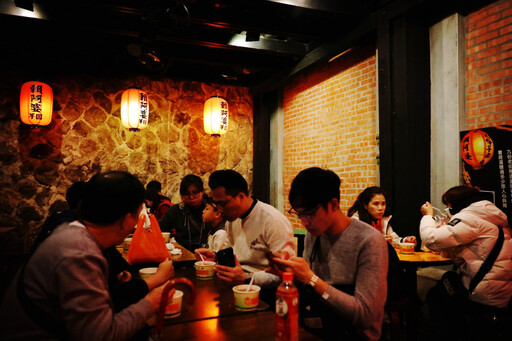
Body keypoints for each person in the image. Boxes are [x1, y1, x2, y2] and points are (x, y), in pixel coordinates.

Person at [0, 171, 172, 340]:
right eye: (138, 215)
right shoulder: (79, 254)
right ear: (128, 219)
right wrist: (151, 303)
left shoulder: (72, 230)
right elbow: (102, 335)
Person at [272, 167, 388, 341]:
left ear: (333, 205)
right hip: (317, 327)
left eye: (310, 214)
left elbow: (366, 315)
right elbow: (309, 287)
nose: (304, 222)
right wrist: (289, 274)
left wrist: (311, 278)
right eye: (300, 214)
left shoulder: (369, 240)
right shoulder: (315, 233)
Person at [420, 185, 512, 340]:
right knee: (448, 280)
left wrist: (428, 216)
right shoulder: (491, 217)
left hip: (483, 294)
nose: (448, 209)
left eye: (448, 206)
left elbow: (431, 239)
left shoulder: (470, 219)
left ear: (456, 204)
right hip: (501, 291)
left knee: (436, 295)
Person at [195, 169, 295, 288]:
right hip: (237, 286)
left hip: (264, 293)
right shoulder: (232, 220)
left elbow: (286, 273)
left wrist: (247, 277)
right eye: (217, 204)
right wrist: (215, 256)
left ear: (241, 196)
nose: (220, 210)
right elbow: (233, 252)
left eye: (223, 204)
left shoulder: (273, 221)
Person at [348, 186, 416, 246]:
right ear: (365, 205)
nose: (381, 208)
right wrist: (378, 241)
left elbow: (394, 240)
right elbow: (352, 245)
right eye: (376, 204)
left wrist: (405, 240)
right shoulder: (356, 221)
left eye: (383, 204)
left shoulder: (384, 220)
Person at [159, 174, 210, 252]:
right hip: (184, 256)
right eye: (187, 194)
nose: (191, 197)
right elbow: (161, 229)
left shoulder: (211, 209)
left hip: (208, 256)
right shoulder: (176, 210)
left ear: (202, 191)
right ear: (182, 196)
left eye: (195, 193)